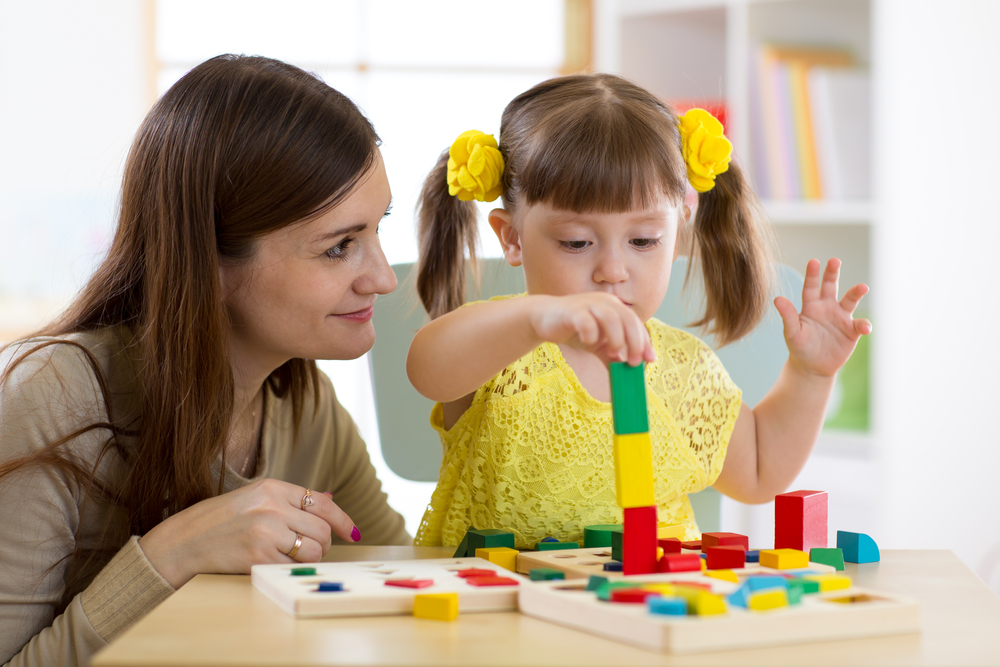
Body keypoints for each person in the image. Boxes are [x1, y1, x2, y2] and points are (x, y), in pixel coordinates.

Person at [0, 55, 409, 667]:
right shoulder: (52, 396)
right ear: (209, 264)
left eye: (379, 229)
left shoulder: (305, 404)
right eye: (340, 247)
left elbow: (405, 586)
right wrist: (172, 555)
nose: (382, 278)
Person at [407, 73, 871, 549]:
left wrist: (811, 374)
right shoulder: (504, 345)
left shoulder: (683, 370)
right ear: (512, 237)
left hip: (646, 606)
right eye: (576, 242)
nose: (612, 269)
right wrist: (537, 318)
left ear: (678, 230)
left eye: (643, 240)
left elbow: (757, 471)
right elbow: (428, 368)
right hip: (499, 609)